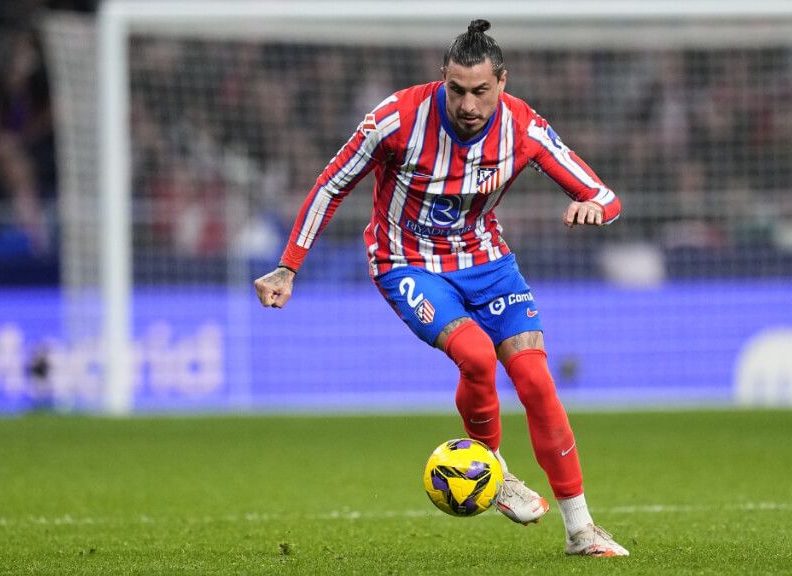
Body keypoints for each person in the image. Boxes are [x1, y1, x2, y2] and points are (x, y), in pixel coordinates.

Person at [254, 19, 629, 557]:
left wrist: (593, 207)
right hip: (405, 261)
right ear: (442, 80)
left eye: (481, 91)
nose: (468, 104)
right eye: (457, 90)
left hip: (487, 260)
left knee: (536, 380)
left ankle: (581, 530)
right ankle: (493, 473)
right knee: (476, 356)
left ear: (502, 81)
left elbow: (605, 195)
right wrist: (289, 265)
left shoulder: (523, 128)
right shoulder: (396, 119)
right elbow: (332, 182)